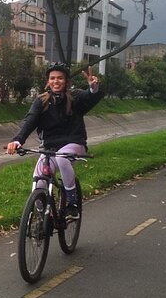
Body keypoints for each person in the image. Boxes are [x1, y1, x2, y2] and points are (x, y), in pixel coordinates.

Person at [6, 63, 103, 220]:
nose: (56, 81)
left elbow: (90, 98)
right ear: (47, 81)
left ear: (66, 81)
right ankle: (43, 216)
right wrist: (17, 140)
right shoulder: (41, 101)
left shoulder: (75, 97)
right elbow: (30, 120)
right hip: (49, 147)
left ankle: (72, 204)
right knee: (39, 182)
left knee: (62, 158)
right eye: (52, 78)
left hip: (74, 143)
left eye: (60, 78)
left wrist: (93, 88)